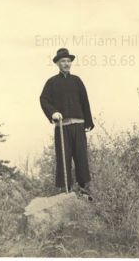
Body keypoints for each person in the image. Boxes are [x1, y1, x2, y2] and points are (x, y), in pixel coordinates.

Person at [39, 48, 94, 197]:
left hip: (78, 125)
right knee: (63, 157)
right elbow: (43, 99)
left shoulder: (77, 81)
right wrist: (53, 113)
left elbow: (85, 101)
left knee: (81, 157)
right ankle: (65, 191)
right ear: (57, 63)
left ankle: (84, 191)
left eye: (68, 61)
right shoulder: (51, 82)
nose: (66, 64)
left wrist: (88, 121)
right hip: (62, 126)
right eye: (63, 61)